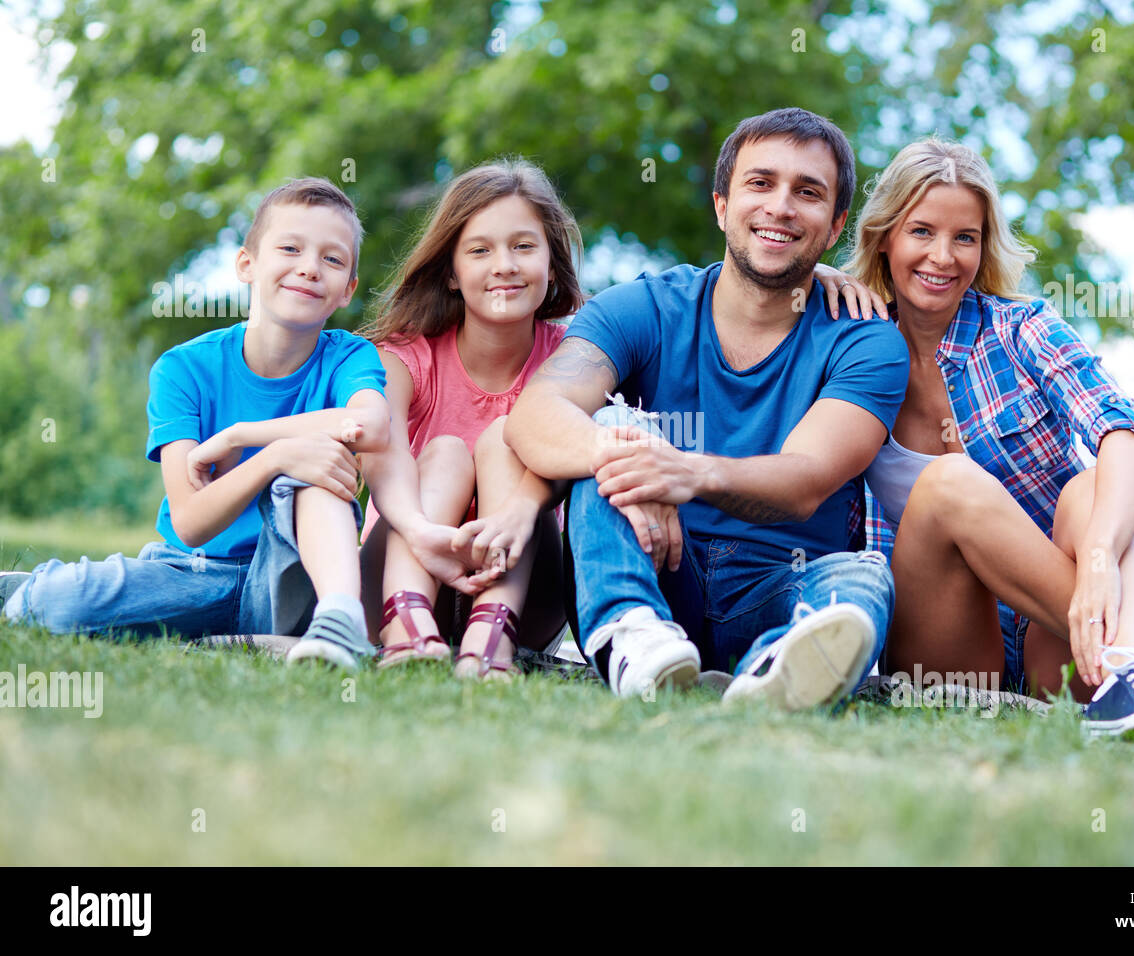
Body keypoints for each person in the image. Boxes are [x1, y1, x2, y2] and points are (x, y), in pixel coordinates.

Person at [841, 138, 1134, 734]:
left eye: (965, 237)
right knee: (950, 481)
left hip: (1058, 643)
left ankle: (1130, 678)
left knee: (1090, 489)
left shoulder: (1021, 327)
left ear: (984, 246)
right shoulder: (847, 345)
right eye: (921, 231)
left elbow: (1131, 434)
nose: (943, 256)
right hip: (946, 656)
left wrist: (1096, 560)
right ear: (885, 237)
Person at [505, 108, 908, 709]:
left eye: (808, 192)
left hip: (782, 585)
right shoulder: (644, 306)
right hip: (664, 573)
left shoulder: (867, 338)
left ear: (834, 225)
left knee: (863, 577)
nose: (780, 207)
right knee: (613, 428)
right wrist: (635, 462)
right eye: (760, 183)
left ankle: (775, 669)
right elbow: (537, 412)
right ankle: (632, 638)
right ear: (722, 204)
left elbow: (806, 480)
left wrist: (684, 474)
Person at [3, 178, 392, 670]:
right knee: (50, 607)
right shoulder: (184, 367)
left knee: (312, 465)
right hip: (192, 572)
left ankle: (340, 623)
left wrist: (242, 438)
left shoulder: (350, 356)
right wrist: (274, 456)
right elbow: (189, 524)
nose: (310, 268)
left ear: (347, 290)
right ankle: (29, 587)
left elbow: (371, 426)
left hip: (294, 577)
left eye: (332, 260)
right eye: (290, 249)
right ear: (247, 265)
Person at [357, 160, 583, 679]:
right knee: (444, 452)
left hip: (527, 596)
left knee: (507, 437)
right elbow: (380, 447)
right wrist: (420, 532)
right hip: (399, 573)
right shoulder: (403, 357)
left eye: (524, 247)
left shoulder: (578, 356)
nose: (504, 264)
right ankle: (406, 625)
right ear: (452, 273)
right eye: (480, 251)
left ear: (552, 263)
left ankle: (489, 635)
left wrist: (813, 273)